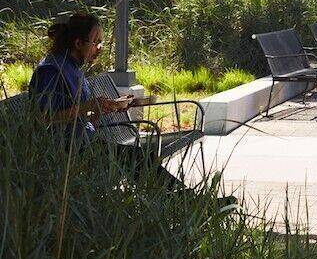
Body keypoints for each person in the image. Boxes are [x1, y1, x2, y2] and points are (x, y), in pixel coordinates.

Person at [28, 13, 235, 205]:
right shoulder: (51, 70)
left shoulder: (72, 67)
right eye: (96, 42)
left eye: (101, 42)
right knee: (136, 158)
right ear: (78, 43)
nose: (99, 48)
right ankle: (189, 204)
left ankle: (188, 203)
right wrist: (89, 106)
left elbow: (77, 114)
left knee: (137, 157)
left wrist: (102, 109)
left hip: (86, 143)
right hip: (67, 151)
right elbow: (45, 118)